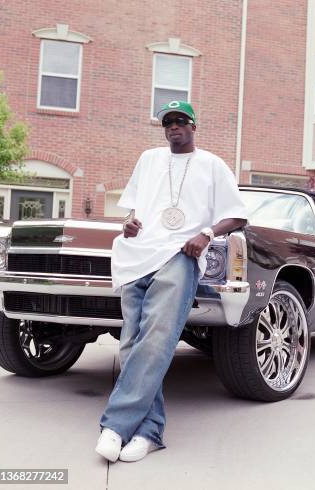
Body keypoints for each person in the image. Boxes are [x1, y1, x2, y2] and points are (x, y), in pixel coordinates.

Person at [95, 100, 248, 463]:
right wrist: (129, 223)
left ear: (194, 125)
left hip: (181, 255)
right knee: (132, 341)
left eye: (180, 121)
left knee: (159, 336)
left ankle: (115, 425)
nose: (173, 127)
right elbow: (136, 207)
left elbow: (238, 215)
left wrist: (207, 233)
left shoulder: (211, 164)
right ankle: (149, 431)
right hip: (137, 254)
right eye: (168, 122)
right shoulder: (149, 159)